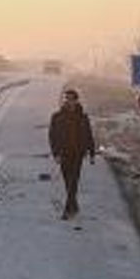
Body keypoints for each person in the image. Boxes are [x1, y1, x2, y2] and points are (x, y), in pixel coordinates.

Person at [48, 88, 96, 219]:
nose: (68, 101)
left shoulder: (83, 117)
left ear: (76, 100)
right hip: (64, 153)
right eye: (66, 99)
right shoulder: (57, 117)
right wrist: (55, 153)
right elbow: (52, 136)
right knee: (67, 181)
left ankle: (68, 210)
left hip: (78, 153)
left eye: (71, 99)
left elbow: (89, 135)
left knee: (74, 180)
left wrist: (92, 153)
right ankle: (74, 205)